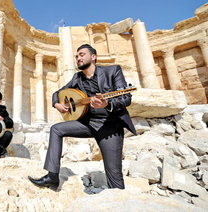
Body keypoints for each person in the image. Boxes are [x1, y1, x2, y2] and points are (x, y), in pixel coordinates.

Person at [28, 44, 136, 190]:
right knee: (56, 129)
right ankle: (52, 177)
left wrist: (106, 104)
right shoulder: (77, 78)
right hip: (88, 124)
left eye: (82, 54)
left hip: (110, 127)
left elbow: (125, 99)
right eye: (77, 56)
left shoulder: (112, 71)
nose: (78, 58)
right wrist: (57, 104)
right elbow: (57, 93)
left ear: (93, 57)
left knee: (114, 177)